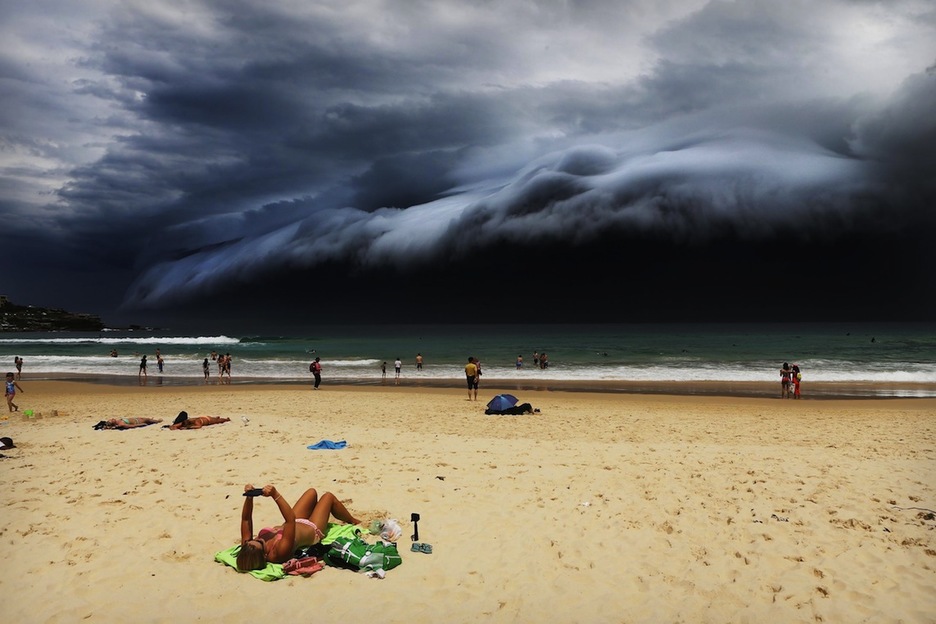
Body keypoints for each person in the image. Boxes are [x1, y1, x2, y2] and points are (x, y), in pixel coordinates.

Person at [235, 484, 361, 571]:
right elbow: (290, 521)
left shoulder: (248, 548)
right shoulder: (279, 551)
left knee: (311, 492)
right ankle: (353, 520)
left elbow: (246, 519)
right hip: (312, 529)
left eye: (254, 540)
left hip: (296, 520)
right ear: (263, 556)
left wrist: (249, 497)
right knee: (328, 497)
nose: (257, 539)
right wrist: (275, 495)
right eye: (259, 542)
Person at [93, 417, 162, 430]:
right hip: (139, 421)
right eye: (111, 420)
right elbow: (131, 426)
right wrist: (141, 425)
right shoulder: (121, 424)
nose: (112, 419)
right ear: (113, 423)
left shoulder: (118, 420)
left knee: (149, 420)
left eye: (111, 419)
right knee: (149, 420)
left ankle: (155, 421)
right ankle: (158, 421)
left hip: (137, 418)